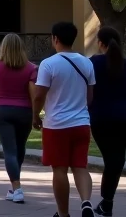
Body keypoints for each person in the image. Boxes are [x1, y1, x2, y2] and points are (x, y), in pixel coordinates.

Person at [34, 21, 97, 217]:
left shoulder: (49, 64)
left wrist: (35, 115)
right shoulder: (87, 62)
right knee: (80, 166)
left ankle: (63, 213)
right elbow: (90, 97)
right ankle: (86, 203)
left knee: (59, 170)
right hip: (81, 123)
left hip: (57, 125)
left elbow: (39, 95)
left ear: (55, 38)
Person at [0, 32, 38, 203]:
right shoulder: (31, 68)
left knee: (9, 151)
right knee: (19, 149)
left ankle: (17, 188)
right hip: (24, 112)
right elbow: (34, 94)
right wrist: (36, 114)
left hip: (3, 111)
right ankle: (15, 186)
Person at [91, 26, 126, 216]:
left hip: (100, 118)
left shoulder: (93, 63)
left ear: (100, 43)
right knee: (117, 159)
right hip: (124, 118)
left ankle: (107, 202)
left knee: (111, 160)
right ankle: (107, 201)